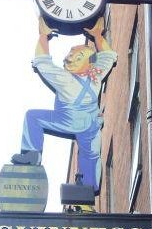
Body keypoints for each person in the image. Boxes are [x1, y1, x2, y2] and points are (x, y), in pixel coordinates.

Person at [12, 16, 117, 193]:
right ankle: (89, 186)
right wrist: (97, 36)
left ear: (87, 62)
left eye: (76, 55)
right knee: (91, 155)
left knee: (33, 117)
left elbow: (42, 62)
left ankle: (32, 155)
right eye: (71, 53)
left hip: (68, 121)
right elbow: (107, 57)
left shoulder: (65, 80)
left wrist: (43, 36)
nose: (70, 57)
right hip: (90, 126)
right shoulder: (96, 76)